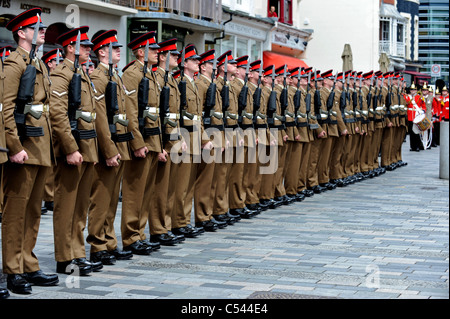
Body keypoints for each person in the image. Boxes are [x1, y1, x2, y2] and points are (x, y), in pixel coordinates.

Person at [2, 7, 59, 294]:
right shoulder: (14, 65)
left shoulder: (37, 63)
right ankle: (12, 269)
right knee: (16, 212)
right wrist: (14, 147)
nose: (42, 31)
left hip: (40, 148)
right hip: (24, 149)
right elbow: (6, 110)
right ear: (22, 33)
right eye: (37, 27)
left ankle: (28, 263)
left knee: (33, 212)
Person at [50, 26, 102, 276]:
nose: (89, 50)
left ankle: (77, 253)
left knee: (80, 207)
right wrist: (70, 148)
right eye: (84, 46)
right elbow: (59, 114)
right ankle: (64, 257)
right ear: (70, 48)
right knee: (66, 206)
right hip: (72, 150)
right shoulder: (62, 74)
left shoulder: (81, 73)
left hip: (87, 147)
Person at [86, 30, 134, 265]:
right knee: (101, 198)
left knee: (112, 199)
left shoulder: (114, 77)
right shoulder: (99, 77)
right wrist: (108, 150)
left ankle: (109, 241)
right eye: (114, 48)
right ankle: (97, 245)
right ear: (102, 52)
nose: (118, 51)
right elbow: (100, 118)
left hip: (119, 144)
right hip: (109, 147)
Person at [121, 31, 164, 252]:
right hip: (141, 141)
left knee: (146, 192)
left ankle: (140, 232)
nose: (158, 53)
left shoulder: (151, 74)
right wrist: (137, 143)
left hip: (152, 139)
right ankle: (130, 237)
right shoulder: (132, 73)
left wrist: (159, 144)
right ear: (140, 51)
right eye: (153, 49)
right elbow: (130, 111)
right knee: (134, 192)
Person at [153, 38, 186, 244]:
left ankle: (166, 225)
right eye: (173, 55)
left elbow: (176, 114)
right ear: (163, 57)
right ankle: (158, 228)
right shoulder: (157, 77)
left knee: (171, 188)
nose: (177, 58)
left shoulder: (172, 79)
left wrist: (180, 137)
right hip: (163, 138)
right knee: (160, 189)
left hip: (172, 136)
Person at [40, 48, 64, 215]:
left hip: (52, 124)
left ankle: (50, 196)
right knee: (47, 166)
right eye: (58, 61)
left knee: (52, 165)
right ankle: (48, 197)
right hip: (45, 124)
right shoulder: (47, 78)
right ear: (50, 63)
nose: (60, 64)